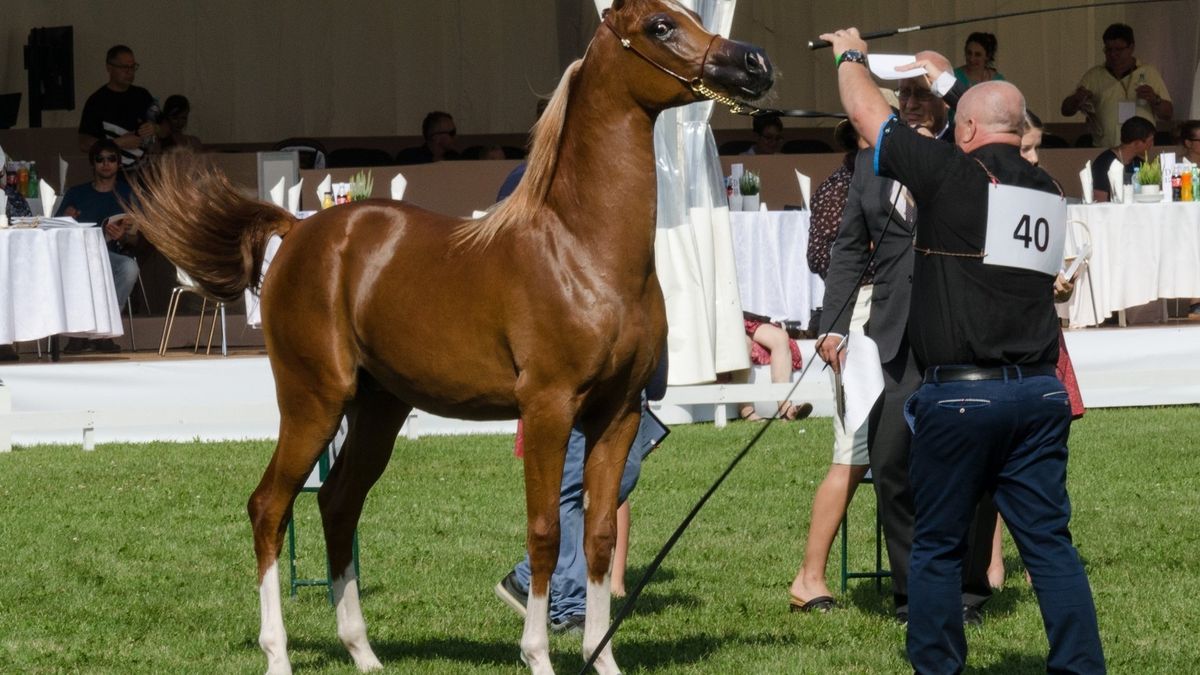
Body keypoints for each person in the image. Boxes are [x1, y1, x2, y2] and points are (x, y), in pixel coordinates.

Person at [822, 28, 1106, 673]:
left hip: (961, 393)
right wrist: (951, 81)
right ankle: (1082, 667)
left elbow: (866, 112)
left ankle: (938, 666)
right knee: (1051, 548)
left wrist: (850, 55)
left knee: (937, 547)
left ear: (966, 130)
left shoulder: (950, 173)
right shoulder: (1045, 189)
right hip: (1038, 391)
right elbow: (993, 119)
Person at [818, 50, 995, 626]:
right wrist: (833, 325)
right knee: (892, 461)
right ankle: (911, 591)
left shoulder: (968, 151)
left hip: (959, 333)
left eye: (926, 94)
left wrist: (950, 75)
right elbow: (848, 248)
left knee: (969, 463)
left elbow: (991, 111)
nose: (915, 104)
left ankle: (968, 588)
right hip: (893, 336)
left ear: (947, 104)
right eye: (907, 97)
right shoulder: (873, 161)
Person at [495, 359, 669, 633]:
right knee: (575, 488)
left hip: (628, 372)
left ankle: (526, 578)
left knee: (624, 475)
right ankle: (569, 606)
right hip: (583, 369)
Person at [788, 119, 872, 612]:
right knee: (852, 450)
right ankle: (809, 576)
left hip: (900, 313)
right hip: (858, 314)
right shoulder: (841, 185)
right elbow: (821, 255)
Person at [55, 139, 139, 354]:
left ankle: (105, 331)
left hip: (111, 255)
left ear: (119, 163)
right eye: (100, 159)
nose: (106, 163)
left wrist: (122, 236)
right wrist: (66, 219)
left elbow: (135, 239)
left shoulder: (127, 193)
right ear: (93, 164)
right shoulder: (76, 193)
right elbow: (53, 232)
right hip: (78, 256)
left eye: (111, 159)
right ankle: (77, 334)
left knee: (129, 268)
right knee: (71, 270)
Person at [1061, 23, 1173, 149]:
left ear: (1131, 47)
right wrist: (1076, 99)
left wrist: (1155, 99)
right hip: (1105, 149)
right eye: (1108, 50)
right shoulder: (1093, 75)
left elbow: (1168, 114)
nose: (1113, 54)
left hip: (1141, 150)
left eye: (1119, 50)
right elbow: (1065, 111)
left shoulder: (1149, 72)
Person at [78, 45, 165, 170]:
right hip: (112, 174)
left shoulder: (142, 95)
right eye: (124, 67)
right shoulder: (96, 101)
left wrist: (155, 128)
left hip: (145, 173)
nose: (129, 72)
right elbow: (84, 144)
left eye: (133, 67)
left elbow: (165, 128)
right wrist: (117, 144)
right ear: (109, 68)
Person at [1090, 116, 1154, 202]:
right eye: (1150, 141)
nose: (1152, 145)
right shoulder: (1103, 163)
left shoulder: (1140, 164)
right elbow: (1099, 200)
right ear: (1137, 143)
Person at [395, 111, 460, 164]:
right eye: (452, 133)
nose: (455, 137)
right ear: (436, 136)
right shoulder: (409, 158)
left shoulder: (455, 158)